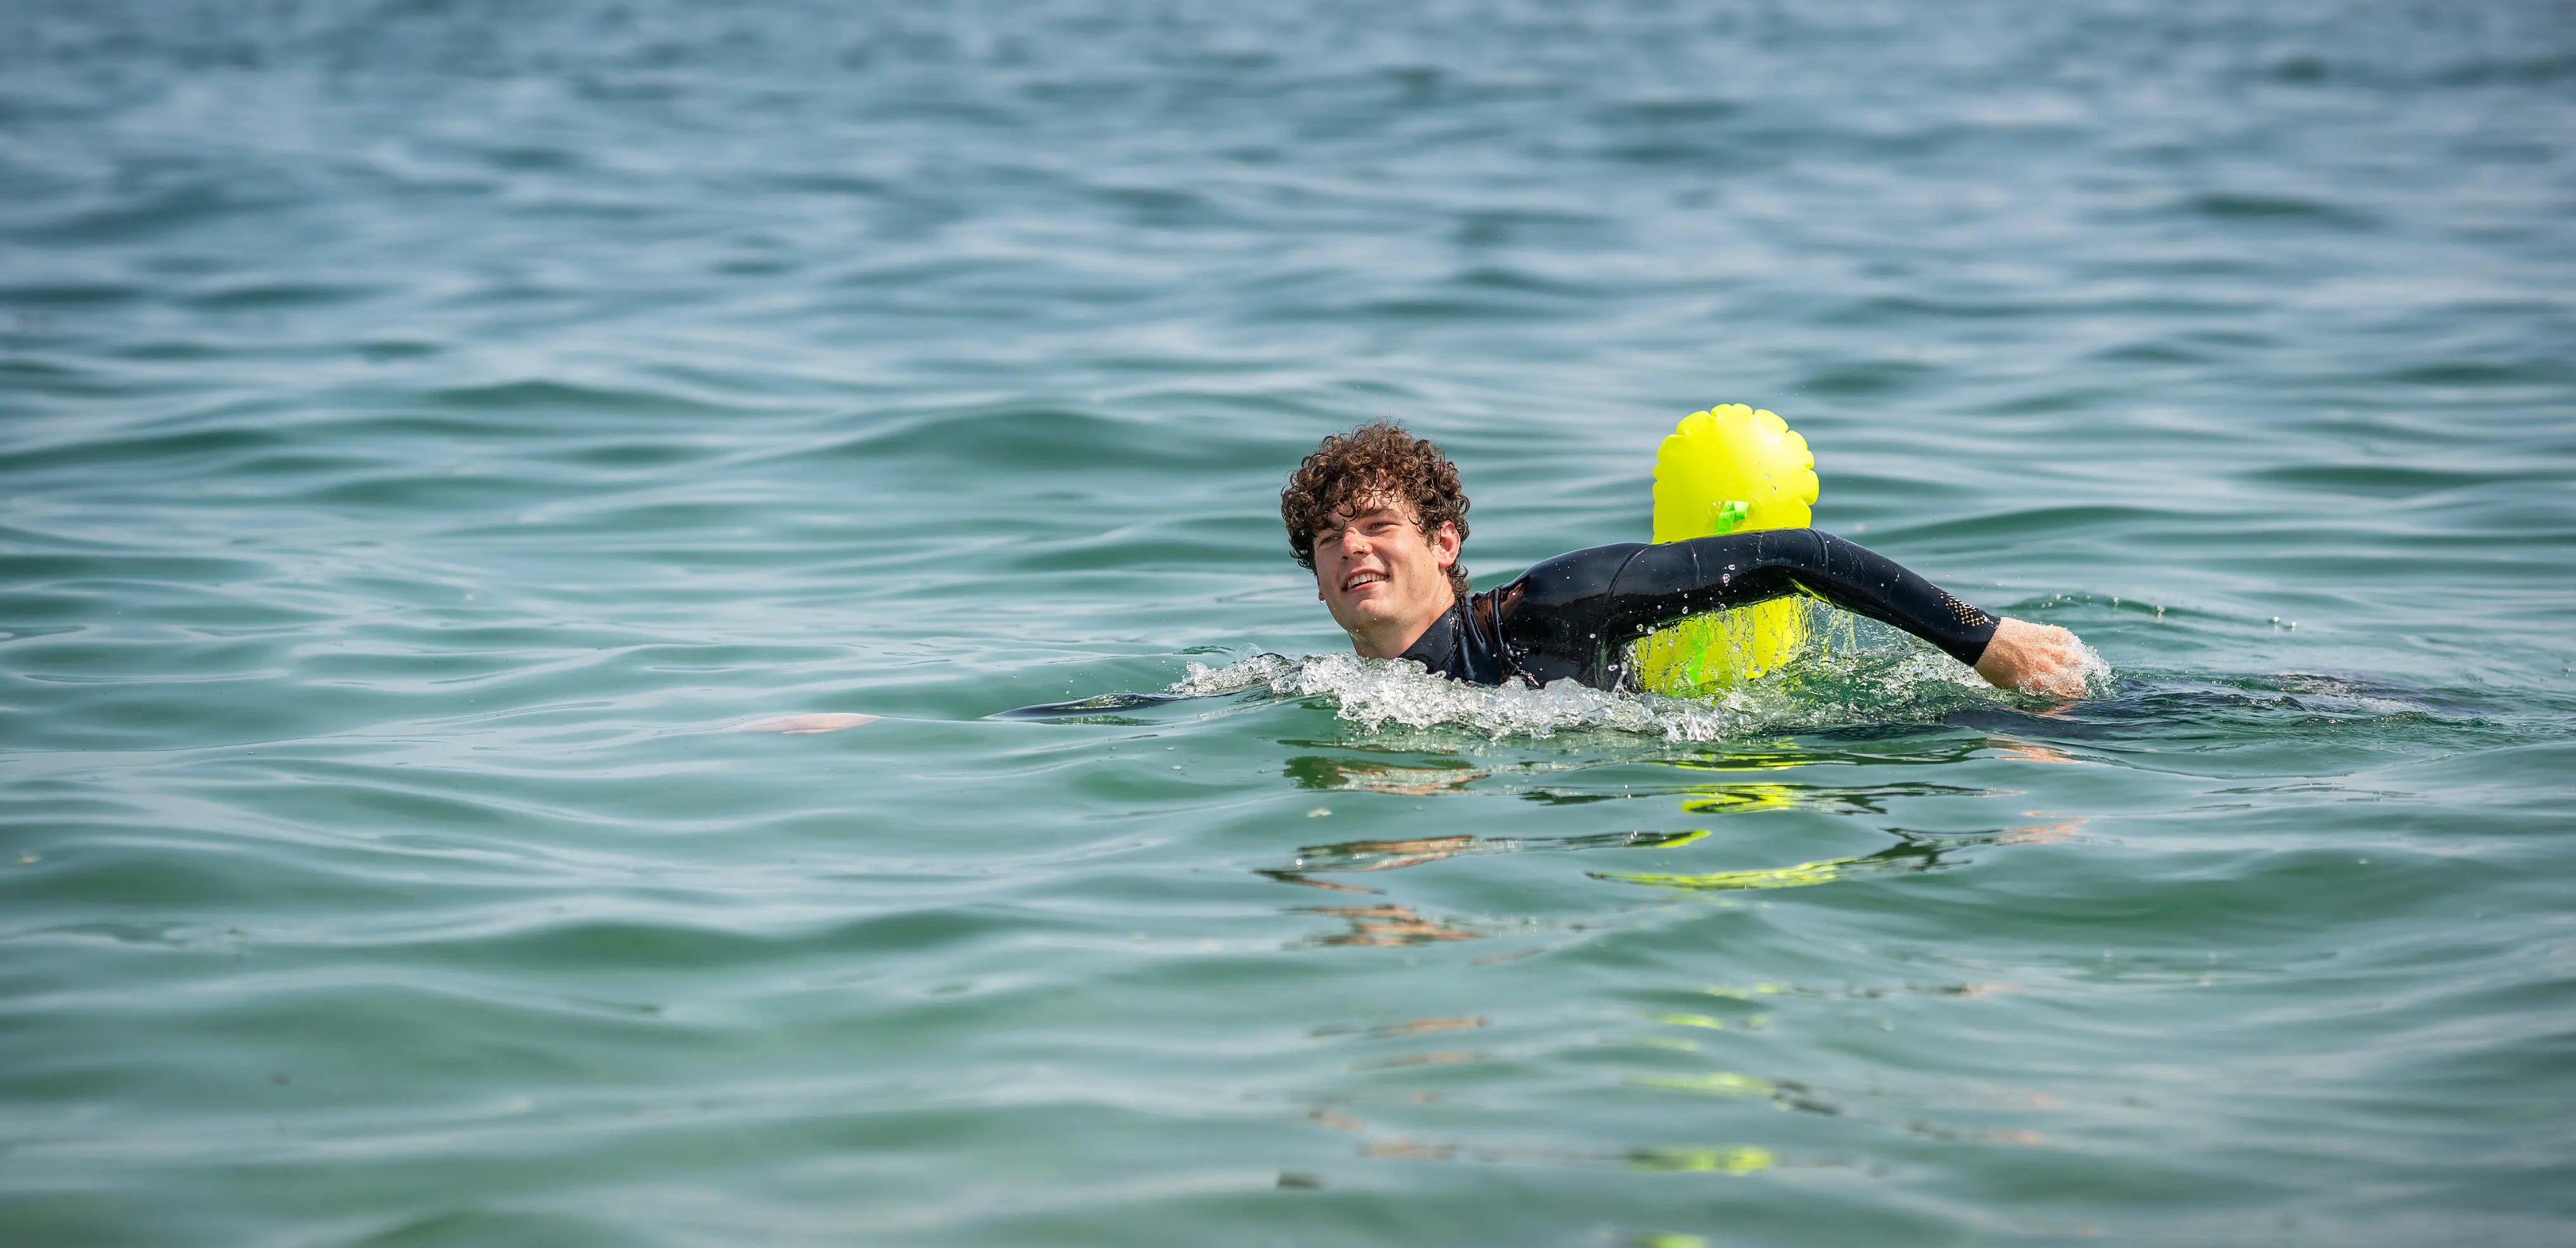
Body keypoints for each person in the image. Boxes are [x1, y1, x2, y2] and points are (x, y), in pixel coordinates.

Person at [1281, 423, 2091, 697]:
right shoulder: (1332, 690)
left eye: (1377, 524)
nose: (1352, 546)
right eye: (1328, 539)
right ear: (1318, 583)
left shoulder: (1552, 605)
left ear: (1444, 543)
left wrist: (1985, 640)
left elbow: (1793, 555)